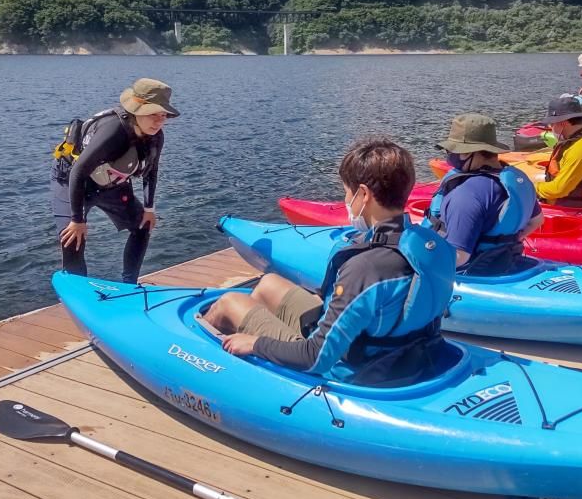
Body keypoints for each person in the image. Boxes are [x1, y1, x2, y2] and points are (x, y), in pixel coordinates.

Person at [204, 135, 457, 387]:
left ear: (363, 194)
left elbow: (316, 357)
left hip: (350, 368)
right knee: (268, 282)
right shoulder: (427, 244)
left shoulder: (366, 268)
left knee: (229, 302)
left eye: (347, 192)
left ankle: (200, 360)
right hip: (402, 355)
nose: (346, 201)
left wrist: (255, 344)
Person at [50, 78, 179, 283]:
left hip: (111, 184)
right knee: (72, 235)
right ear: (137, 111)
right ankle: (79, 291)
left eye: (163, 115)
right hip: (73, 181)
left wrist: (149, 209)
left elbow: (151, 170)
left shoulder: (156, 136)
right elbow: (78, 171)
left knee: (142, 225)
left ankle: (129, 285)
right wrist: (77, 219)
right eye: (153, 114)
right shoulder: (113, 131)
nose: (159, 121)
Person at [425, 113, 544, 273]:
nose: (449, 156)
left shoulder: (466, 195)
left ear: (468, 152)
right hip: (503, 264)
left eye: (451, 150)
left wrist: (418, 264)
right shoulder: (517, 179)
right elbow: (537, 220)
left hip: (470, 273)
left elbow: (459, 256)